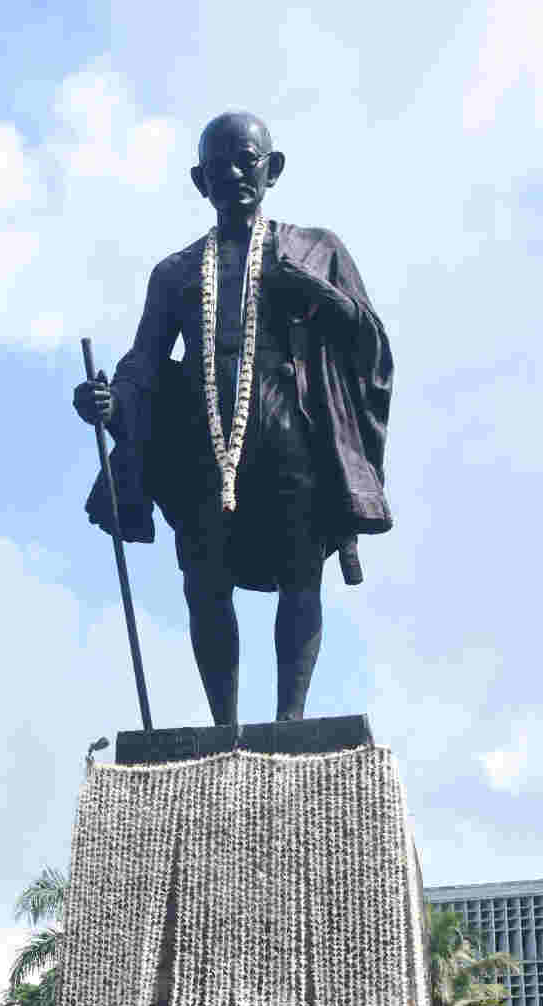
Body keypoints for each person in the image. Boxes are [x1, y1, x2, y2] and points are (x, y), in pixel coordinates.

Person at [72, 110, 392, 725]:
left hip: (291, 438)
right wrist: (112, 402)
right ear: (200, 181)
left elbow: (371, 344)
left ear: (271, 169)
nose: (234, 174)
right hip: (200, 444)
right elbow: (143, 361)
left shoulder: (316, 251)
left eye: (247, 161)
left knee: (301, 577)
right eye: (219, 166)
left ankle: (290, 724)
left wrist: (321, 297)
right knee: (203, 584)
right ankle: (224, 728)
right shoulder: (175, 273)